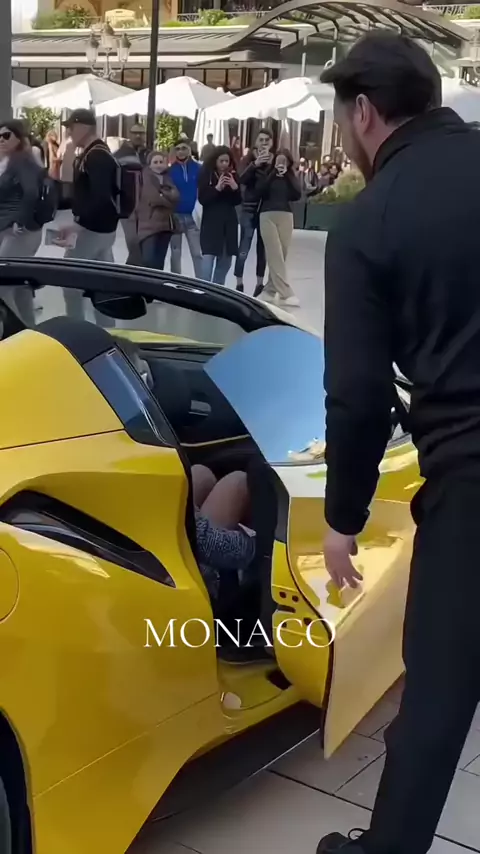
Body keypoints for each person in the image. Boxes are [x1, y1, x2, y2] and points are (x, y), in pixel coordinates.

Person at [316, 29, 480, 854]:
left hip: (471, 479)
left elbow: (358, 397)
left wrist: (341, 517)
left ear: (364, 114)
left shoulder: (369, 222)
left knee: (437, 702)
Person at [55, 109, 119, 319]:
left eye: (71, 127)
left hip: (92, 229)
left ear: (85, 127)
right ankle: (105, 324)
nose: (69, 132)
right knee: (103, 281)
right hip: (102, 228)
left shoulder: (96, 156)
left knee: (70, 282)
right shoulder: (97, 152)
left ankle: (76, 327)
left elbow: (101, 196)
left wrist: (78, 223)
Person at [0, 119, 44, 324]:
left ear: (18, 138)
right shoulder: (11, 161)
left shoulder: (21, 161)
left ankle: (16, 331)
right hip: (15, 229)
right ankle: (28, 330)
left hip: (19, 231)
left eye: (6, 135)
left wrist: (20, 220)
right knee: (18, 286)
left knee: (4, 284)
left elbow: (31, 193)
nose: (1, 140)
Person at [254, 148, 301, 307]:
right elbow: (259, 191)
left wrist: (287, 175)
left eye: (284, 161)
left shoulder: (290, 176)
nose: (281, 163)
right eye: (278, 160)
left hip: (286, 215)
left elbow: (297, 194)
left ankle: (269, 291)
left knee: (282, 254)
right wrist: (273, 173)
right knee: (274, 253)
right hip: (267, 215)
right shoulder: (268, 174)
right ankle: (287, 293)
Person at [235, 127, 273, 295]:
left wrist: (271, 166)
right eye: (261, 140)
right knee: (244, 245)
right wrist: (254, 165)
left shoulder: (274, 160)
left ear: (271, 143)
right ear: (255, 142)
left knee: (262, 249)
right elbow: (241, 179)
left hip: (265, 209)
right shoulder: (248, 159)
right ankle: (239, 282)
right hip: (249, 208)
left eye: (267, 140)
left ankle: (259, 284)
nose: (264, 143)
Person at [198, 145, 241, 285]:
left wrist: (235, 187)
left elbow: (237, 201)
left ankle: (217, 290)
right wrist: (217, 188)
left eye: (226, 161)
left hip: (228, 224)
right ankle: (204, 290)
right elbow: (203, 199)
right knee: (207, 262)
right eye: (221, 161)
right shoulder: (206, 174)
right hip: (211, 224)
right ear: (215, 161)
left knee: (225, 263)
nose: (224, 164)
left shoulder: (233, 175)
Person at [135, 150, 179, 269]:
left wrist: (163, 194)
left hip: (166, 226)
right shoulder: (145, 177)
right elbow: (154, 198)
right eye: (155, 162)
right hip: (149, 225)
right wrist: (169, 200)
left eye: (161, 162)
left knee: (159, 262)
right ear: (149, 164)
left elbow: (177, 196)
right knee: (148, 260)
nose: (158, 165)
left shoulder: (168, 177)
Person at [168, 138, 203, 278]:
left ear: (189, 149)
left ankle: (201, 283)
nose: (181, 152)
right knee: (175, 253)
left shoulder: (199, 168)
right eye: (178, 149)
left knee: (197, 253)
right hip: (175, 216)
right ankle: (175, 283)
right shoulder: (170, 170)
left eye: (184, 148)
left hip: (193, 216)